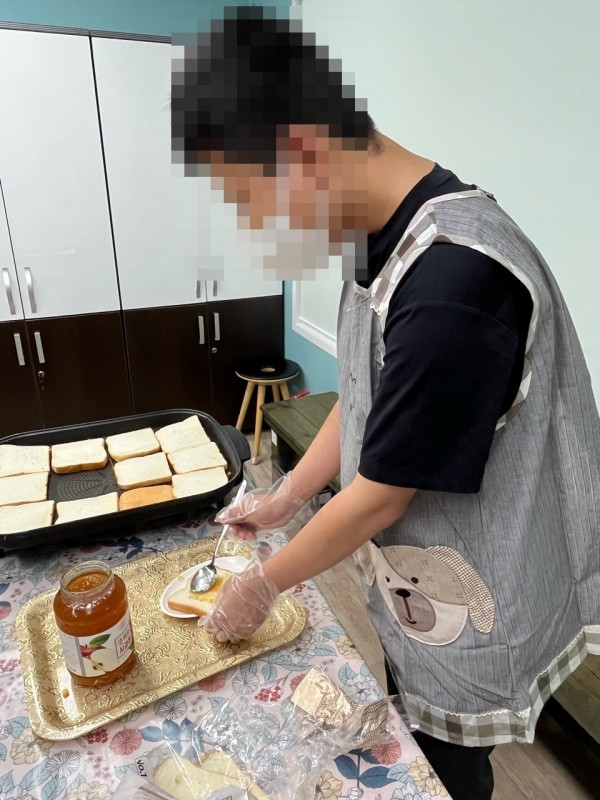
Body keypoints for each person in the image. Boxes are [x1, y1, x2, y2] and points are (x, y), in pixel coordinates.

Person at [171, 7, 600, 800]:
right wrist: (287, 496)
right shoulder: (383, 239)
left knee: (445, 773)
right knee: (410, 720)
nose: (266, 227)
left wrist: (264, 584)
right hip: (416, 588)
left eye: (257, 201)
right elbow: (368, 397)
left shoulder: (453, 285)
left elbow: (379, 495)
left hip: (475, 597)